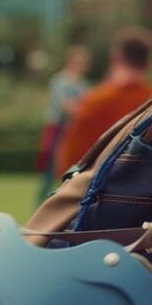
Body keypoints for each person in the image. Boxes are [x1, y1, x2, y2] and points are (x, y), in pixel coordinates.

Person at [52, 28, 152, 180]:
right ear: (149, 62)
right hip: (142, 184)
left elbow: (71, 161)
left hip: (97, 185)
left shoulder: (95, 101)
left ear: (115, 57)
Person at [34, 45, 90, 201]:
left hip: (72, 130)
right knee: (51, 170)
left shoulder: (82, 84)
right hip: (58, 129)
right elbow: (66, 106)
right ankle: (41, 204)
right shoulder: (59, 81)